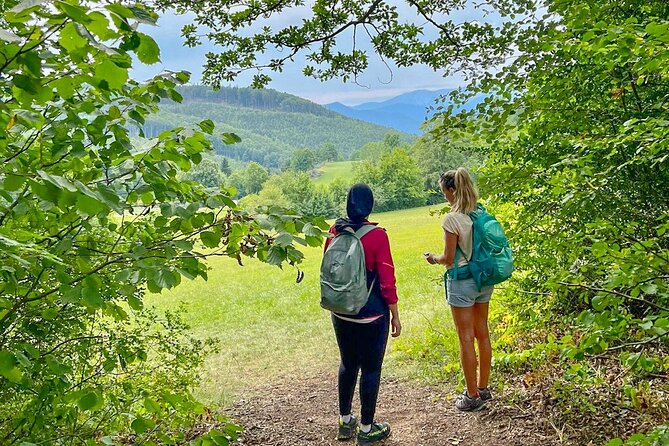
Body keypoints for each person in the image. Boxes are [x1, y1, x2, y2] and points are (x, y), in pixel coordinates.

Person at [324, 183, 401, 445]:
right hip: (371, 315)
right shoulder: (377, 235)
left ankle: (345, 422)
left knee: (347, 364)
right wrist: (395, 313)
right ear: (370, 205)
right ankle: (367, 430)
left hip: (341, 311)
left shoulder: (333, 233)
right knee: (370, 369)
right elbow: (386, 280)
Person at [424, 168, 493, 412]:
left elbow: (449, 258)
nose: (444, 196)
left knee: (465, 337)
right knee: (482, 332)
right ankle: (484, 389)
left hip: (462, 282)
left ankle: (471, 396)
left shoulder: (452, 219)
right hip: (484, 279)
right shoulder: (479, 212)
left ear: (452, 190)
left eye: (444, 192)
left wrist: (433, 258)